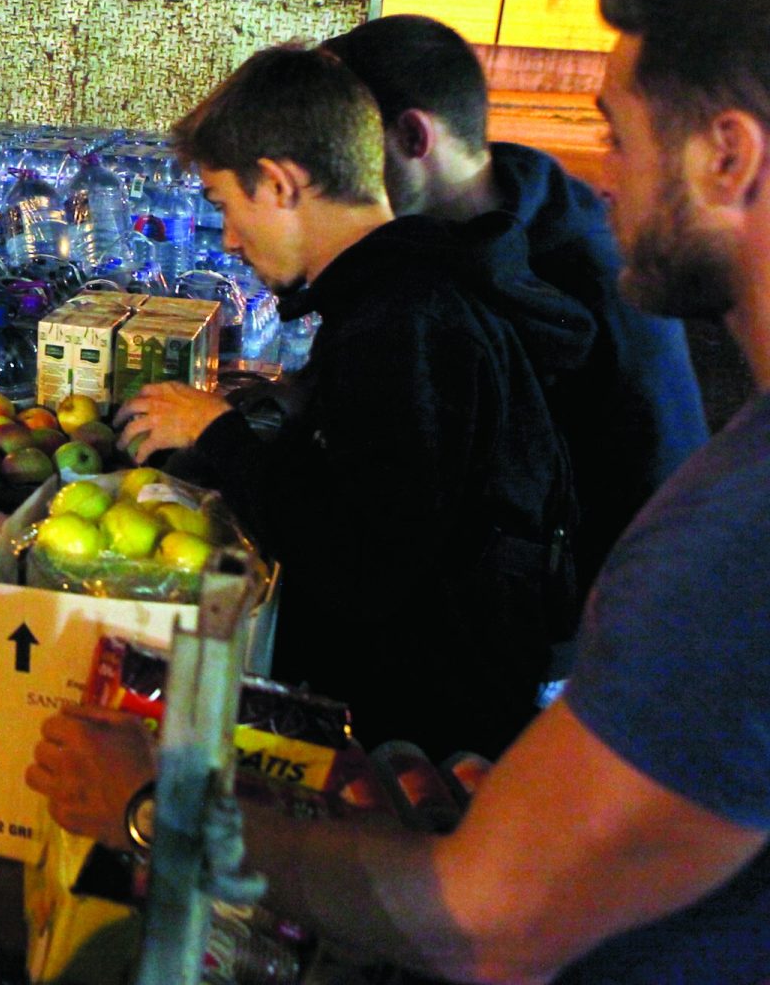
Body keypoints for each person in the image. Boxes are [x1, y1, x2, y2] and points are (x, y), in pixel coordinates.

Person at [33, 0, 770, 983]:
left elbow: (480, 913)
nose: (606, 176)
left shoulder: (732, 540)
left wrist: (155, 801)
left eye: (617, 129)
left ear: (728, 156)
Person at [115, 43, 591, 759]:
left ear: (278, 183)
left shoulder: (401, 324)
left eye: (226, 206)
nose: (231, 240)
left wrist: (218, 433)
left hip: (419, 740)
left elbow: (356, 563)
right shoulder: (418, 289)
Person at [324, 13, 706, 595]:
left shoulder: (586, 267)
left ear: (412, 138)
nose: (336, 174)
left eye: (348, 145)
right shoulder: (468, 229)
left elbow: (657, 471)